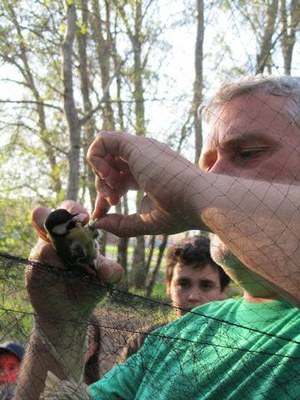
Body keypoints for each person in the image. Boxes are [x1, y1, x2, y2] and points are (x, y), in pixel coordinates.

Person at [15, 75, 300, 399]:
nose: (213, 176)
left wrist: (193, 189)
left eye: (247, 153)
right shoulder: (186, 330)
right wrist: (58, 321)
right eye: (207, 165)